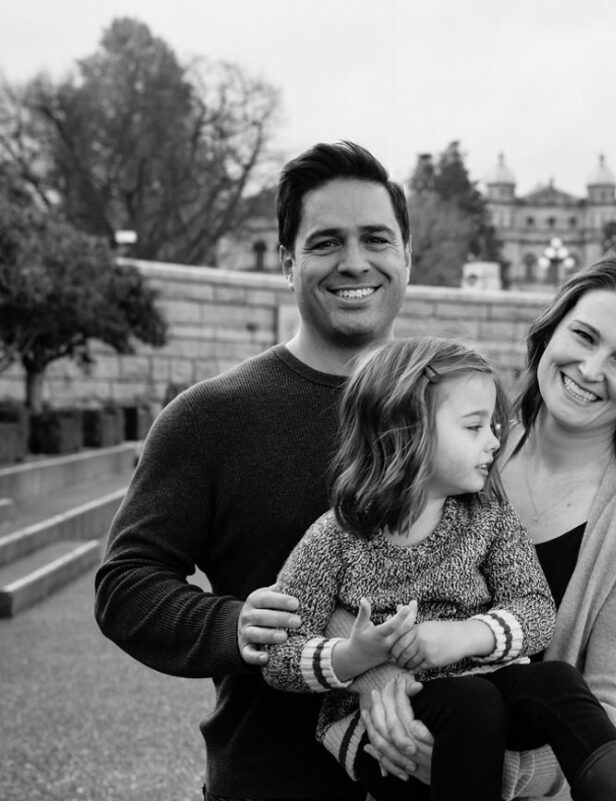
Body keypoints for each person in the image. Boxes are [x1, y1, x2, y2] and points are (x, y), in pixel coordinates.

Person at [94, 140, 412, 801]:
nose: (355, 261)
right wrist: (229, 624)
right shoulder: (211, 417)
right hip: (270, 781)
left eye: (376, 238)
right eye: (326, 242)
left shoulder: (458, 408)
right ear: (287, 262)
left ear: (406, 255)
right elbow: (125, 582)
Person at [264, 336, 616, 801]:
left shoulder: (486, 513)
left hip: (478, 679)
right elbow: (280, 655)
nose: (494, 441)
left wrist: (467, 635)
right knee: (473, 705)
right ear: (407, 432)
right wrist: (352, 657)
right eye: (474, 428)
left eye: (493, 425)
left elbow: (535, 609)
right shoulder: (335, 537)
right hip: (381, 725)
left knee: (555, 682)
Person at [359, 254, 616, 799]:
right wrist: (376, 684)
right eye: (584, 336)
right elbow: (340, 570)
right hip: (391, 761)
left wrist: (474, 764)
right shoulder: (450, 449)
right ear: (550, 332)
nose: (592, 370)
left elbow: (611, 715)